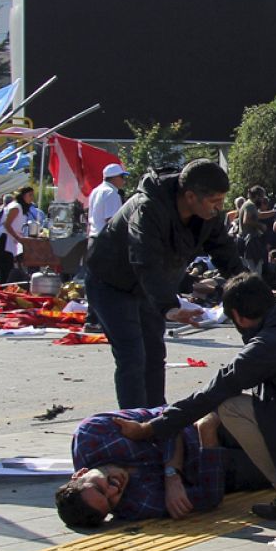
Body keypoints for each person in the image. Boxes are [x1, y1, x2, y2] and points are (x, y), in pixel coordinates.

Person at [108, 272, 276, 520]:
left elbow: (210, 394)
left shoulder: (266, 346)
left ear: (238, 316)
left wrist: (150, 428)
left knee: (230, 407)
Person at [84, 160, 242, 410]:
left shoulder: (207, 215)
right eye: (215, 201)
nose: (219, 208)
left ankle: (158, 418)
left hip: (148, 288)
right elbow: (144, 260)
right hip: (110, 283)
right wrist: (168, 306)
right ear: (190, 196)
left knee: (154, 355)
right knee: (132, 356)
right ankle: (135, 423)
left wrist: (251, 293)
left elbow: (227, 255)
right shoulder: (148, 208)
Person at [54, 408, 270, 528]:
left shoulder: (93, 434)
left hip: (201, 421)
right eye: (111, 502)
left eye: (101, 488)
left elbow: (169, 419)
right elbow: (208, 497)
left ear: (81, 473)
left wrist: (172, 474)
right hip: (219, 464)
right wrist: (208, 437)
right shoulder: (134, 506)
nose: (114, 490)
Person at [87, 163, 128, 237]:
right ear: (114, 177)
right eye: (122, 176)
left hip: (93, 237)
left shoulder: (95, 190)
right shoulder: (111, 192)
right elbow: (112, 221)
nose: (124, 180)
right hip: (105, 239)